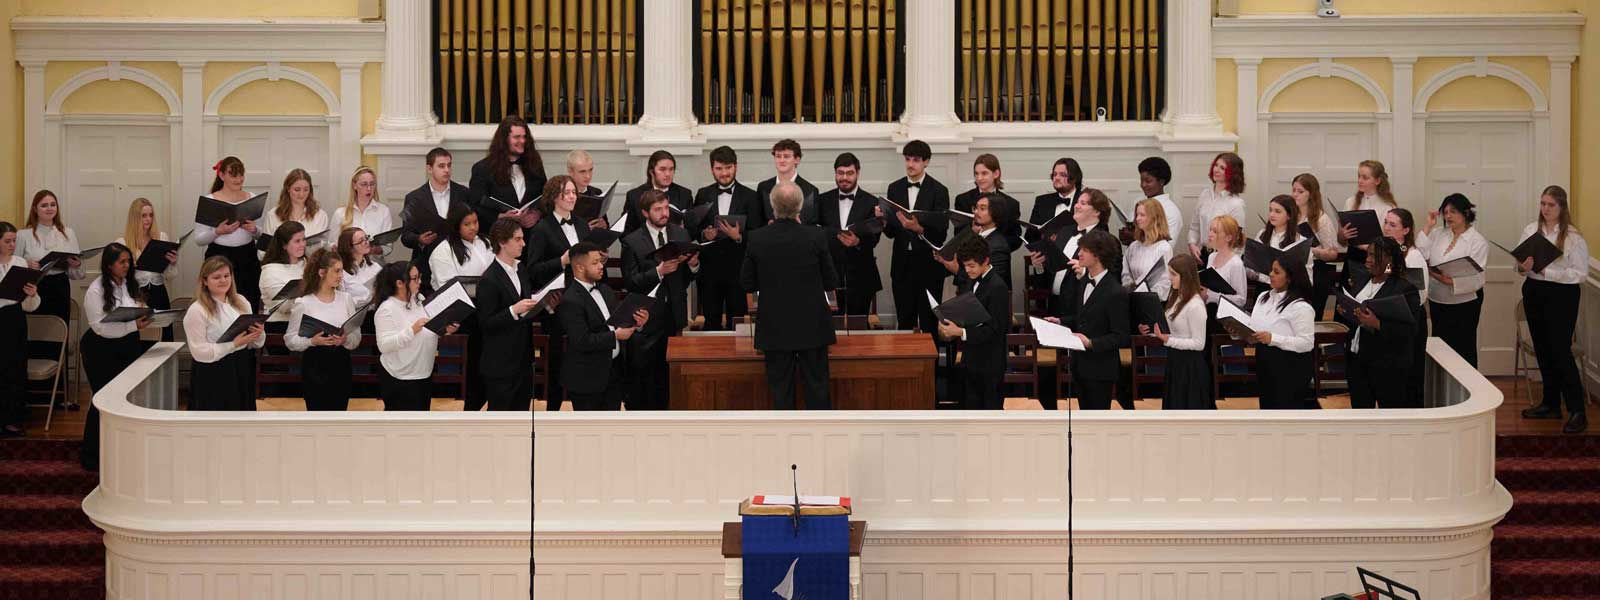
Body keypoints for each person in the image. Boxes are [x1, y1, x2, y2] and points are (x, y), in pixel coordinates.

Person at [741, 182, 839, 410]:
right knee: (818, 390)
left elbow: (746, 283)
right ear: (800, 207)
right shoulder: (816, 236)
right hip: (813, 325)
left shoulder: (757, 238)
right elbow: (831, 281)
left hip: (774, 326)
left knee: (780, 393)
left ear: (772, 206)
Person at [1517, 186, 1589, 433]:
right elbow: (1521, 265)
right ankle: (1550, 403)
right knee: (1543, 349)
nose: (1545, 209)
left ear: (1562, 208)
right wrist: (1523, 267)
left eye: (1551, 205)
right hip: (1535, 292)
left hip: (1562, 296)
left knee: (1560, 351)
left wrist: (1549, 272)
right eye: (1543, 204)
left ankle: (1577, 410)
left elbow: (1580, 274)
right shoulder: (1530, 230)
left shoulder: (1573, 237)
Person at [78, 243, 157, 469]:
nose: (127, 266)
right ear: (109, 264)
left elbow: (135, 310)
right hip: (100, 349)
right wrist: (134, 325)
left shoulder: (129, 284)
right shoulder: (96, 290)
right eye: (122, 262)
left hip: (127, 345)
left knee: (126, 398)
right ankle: (92, 455)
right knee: (103, 399)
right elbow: (101, 328)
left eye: (128, 261)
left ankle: (120, 451)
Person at [620, 189, 699, 410]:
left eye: (666, 208)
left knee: (671, 373)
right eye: (658, 209)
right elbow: (631, 281)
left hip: (675, 313)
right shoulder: (632, 241)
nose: (664, 213)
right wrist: (659, 271)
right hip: (646, 318)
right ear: (645, 213)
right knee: (646, 374)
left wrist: (693, 266)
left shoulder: (681, 234)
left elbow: (686, 277)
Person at [558, 241, 648, 411]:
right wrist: (615, 336)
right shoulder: (570, 300)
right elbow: (582, 341)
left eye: (600, 261)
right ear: (579, 267)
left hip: (613, 372)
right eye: (594, 263)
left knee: (611, 429)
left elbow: (618, 324)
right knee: (589, 433)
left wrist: (637, 324)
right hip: (587, 379)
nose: (601, 266)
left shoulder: (605, 290)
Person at [1339, 237, 1422, 410]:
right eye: (1368, 254)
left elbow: (1410, 331)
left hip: (1387, 365)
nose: (1368, 259)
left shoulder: (1405, 288)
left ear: (1389, 260)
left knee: (1390, 415)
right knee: (1361, 413)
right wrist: (1346, 311)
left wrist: (1377, 324)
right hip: (1357, 359)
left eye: (1374, 256)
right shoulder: (1362, 280)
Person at [1047, 230, 1126, 410]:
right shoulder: (1083, 282)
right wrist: (1060, 321)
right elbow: (1082, 318)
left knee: (1097, 423)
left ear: (1098, 255)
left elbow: (1121, 336)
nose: (1079, 254)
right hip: (1080, 365)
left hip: (1101, 369)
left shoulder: (1115, 292)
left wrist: (1090, 343)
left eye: (1084, 250)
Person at [428, 203, 494, 410]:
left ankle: (488, 394)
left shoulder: (485, 242)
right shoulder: (443, 251)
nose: (473, 228)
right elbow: (447, 288)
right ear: (456, 226)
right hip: (461, 314)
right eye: (467, 224)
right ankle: (472, 401)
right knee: (477, 358)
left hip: (485, 307)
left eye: (475, 222)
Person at [936, 234, 1011, 410]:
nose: (967, 270)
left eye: (971, 265)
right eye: (965, 266)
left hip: (989, 365)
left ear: (985, 261)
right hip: (971, 359)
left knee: (988, 414)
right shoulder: (971, 281)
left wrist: (960, 332)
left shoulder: (997, 287)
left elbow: (995, 330)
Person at [883, 139, 951, 332]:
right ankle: (906, 363)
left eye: (915, 160)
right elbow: (889, 234)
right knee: (905, 320)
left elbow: (941, 234)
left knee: (930, 321)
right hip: (902, 265)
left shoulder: (939, 190)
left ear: (926, 162)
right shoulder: (894, 188)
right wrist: (884, 219)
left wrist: (919, 229)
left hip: (929, 265)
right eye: (907, 159)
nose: (910, 164)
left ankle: (932, 363)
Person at [183, 256, 265, 411]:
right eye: (217, 277)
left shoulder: (241, 301)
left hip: (240, 365)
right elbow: (199, 351)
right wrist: (233, 344)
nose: (223, 280)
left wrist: (258, 333)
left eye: (227, 276)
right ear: (205, 281)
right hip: (213, 371)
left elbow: (253, 343)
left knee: (241, 415)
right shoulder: (197, 309)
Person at [285, 249, 362, 411]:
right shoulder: (304, 303)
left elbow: (356, 336)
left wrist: (345, 340)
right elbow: (290, 340)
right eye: (337, 271)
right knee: (317, 416)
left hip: (341, 364)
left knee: (339, 415)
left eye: (342, 270)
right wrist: (312, 341)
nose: (341, 275)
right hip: (315, 365)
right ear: (321, 272)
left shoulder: (346, 299)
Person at [374, 262, 459, 411]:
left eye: (419, 277)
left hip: (423, 373)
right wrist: (412, 330)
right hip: (400, 377)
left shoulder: (418, 299)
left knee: (421, 425)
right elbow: (384, 345)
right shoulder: (387, 309)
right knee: (403, 428)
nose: (419, 281)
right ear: (400, 283)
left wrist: (445, 330)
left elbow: (428, 331)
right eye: (415, 278)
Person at [691, 146, 758, 330]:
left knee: (736, 322)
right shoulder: (703, 194)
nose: (724, 173)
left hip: (738, 270)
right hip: (710, 269)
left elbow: (757, 233)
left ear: (736, 167)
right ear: (712, 169)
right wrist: (704, 234)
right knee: (710, 320)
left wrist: (739, 237)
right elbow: (693, 228)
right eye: (719, 168)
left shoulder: (751, 196)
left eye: (728, 167)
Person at [477, 219, 540, 411]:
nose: (523, 243)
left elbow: (525, 305)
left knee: (522, 416)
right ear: (502, 242)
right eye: (518, 239)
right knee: (500, 418)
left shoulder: (521, 270)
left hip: (523, 359)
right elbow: (486, 323)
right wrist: (514, 310)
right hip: (501, 364)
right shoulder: (489, 279)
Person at [1421, 193, 1488, 367]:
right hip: (1437, 300)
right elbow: (1420, 254)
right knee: (1440, 348)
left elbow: (1479, 279)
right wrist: (1428, 226)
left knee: (1463, 348)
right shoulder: (1437, 234)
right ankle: (1442, 390)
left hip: (1464, 303)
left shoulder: (1477, 241)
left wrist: (1450, 281)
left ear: (1466, 213)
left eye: (1453, 212)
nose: (1448, 216)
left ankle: (1469, 391)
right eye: (1445, 212)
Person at [817, 152, 884, 316]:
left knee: (859, 325)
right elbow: (815, 233)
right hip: (829, 274)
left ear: (858, 173)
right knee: (830, 326)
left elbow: (874, 238)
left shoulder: (872, 202)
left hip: (862, 275)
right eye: (840, 173)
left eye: (849, 173)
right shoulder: (822, 200)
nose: (844, 178)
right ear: (835, 173)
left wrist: (857, 243)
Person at [194, 157, 264, 312]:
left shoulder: (252, 198)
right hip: (219, 257)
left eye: (241, 175)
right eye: (233, 175)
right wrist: (217, 232)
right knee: (219, 305)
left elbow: (261, 234)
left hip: (248, 258)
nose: (239, 179)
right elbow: (198, 239)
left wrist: (254, 230)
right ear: (221, 175)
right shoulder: (209, 200)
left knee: (249, 302)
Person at [1142, 253, 1211, 410]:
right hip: (1175, 361)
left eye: (1173, 274)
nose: (1169, 277)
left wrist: (1168, 340)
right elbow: (1170, 331)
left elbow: (1199, 343)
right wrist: (1152, 332)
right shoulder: (1176, 298)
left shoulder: (1195, 305)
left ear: (1185, 276)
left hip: (1190, 367)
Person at [1247, 256, 1317, 409]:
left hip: (1289, 365)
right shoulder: (1263, 297)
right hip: (1265, 360)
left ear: (1290, 278)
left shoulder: (1300, 306)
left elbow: (1306, 343)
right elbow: (1254, 327)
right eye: (1271, 270)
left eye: (1276, 272)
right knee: (1267, 409)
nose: (1271, 274)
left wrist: (1273, 338)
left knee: (1285, 411)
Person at [402, 147, 474, 294]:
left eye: (449, 165)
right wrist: (419, 239)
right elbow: (405, 236)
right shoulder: (414, 198)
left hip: (459, 262)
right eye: (441, 166)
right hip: (426, 266)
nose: (446, 170)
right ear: (429, 168)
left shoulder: (464, 193)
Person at [1383, 207, 1430, 407]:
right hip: (1389, 316)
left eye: (1392, 225)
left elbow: (1420, 294)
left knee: (1410, 374)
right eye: (1386, 222)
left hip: (1409, 319)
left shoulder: (1413, 256)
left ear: (1406, 231)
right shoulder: (1385, 252)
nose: (1386, 228)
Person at [17, 190, 85, 327]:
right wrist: (26, 264)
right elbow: (13, 267)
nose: (49, 208)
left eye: (53, 204)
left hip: (60, 286)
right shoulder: (23, 235)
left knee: (59, 328)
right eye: (44, 205)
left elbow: (78, 275)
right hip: (35, 287)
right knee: (36, 331)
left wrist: (76, 265)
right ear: (35, 209)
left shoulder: (68, 233)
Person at [116, 197, 179, 341]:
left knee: (163, 338)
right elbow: (115, 276)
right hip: (135, 295)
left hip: (159, 293)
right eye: (143, 215)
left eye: (151, 215)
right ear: (134, 218)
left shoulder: (161, 237)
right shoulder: (122, 242)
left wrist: (172, 263)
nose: (148, 219)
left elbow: (170, 276)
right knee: (139, 339)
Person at [0, 223, 41, 438]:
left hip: (15, 319)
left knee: (15, 368)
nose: (12, 245)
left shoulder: (20, 262)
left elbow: (29, 305)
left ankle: (12, 419)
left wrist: (32, 293)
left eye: (14, 240)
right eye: (7, 241)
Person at [468, 114, 546, 229]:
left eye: (525, 137)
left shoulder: (534, 165)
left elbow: (545, 197)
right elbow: (474, 206)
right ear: (504, 139)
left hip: (531, 236)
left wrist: (537, 215)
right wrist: (501, 216)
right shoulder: (482, 169)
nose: (522, 141)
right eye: (517, 137)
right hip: (499, 236)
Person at [1292, 173, 1344, 319]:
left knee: (1311, 316)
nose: (1295, 194)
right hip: (1296, 270)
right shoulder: (1291, 216)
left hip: (1317, 271)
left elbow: (1333, 253)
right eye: (1294, 190)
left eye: (1300, 191)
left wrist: (1310, 249)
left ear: (1311, 194)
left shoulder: (1321, 219)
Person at [953, 154, 1023, 257]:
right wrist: (972, 232)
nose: (979, 178)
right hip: (969, 260)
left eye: (984, 173)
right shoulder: (963, 200)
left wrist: (994, 248)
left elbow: (1015, 238)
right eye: (976, 174)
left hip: (999, 260)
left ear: (996, 174)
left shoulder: (1011, 204)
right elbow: (958, 235)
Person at [1187, 152, 1246, 260]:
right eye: (1216, 165)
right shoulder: (1205, 194)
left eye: (1222, 168)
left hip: (1222, 256)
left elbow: (1238, 242)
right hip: (1202, 254)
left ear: (1232, 173)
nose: (1216, 170)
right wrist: (1192, 243)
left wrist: (1225, 263)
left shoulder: (1236, 204)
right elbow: (1194, 226)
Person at [623, 150, 694, 233]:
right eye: (662, 169)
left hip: (677, 243)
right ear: (651, 172)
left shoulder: (685, 194)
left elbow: (693, 230)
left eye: (671, 169)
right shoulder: (634, 196)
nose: (668, 174)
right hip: (645, 244)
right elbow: (626, 231)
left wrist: (683, 231)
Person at [260, 168, 331, 250]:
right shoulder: (273, 215)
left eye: (306, 190)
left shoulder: (320, 215)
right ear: (288, 188)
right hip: (281, 262)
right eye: (297, 190)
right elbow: (263, 252)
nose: (301, 194)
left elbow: (324, 247)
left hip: (311, 262)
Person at [755, 139, 820, 225]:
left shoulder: (810, 190)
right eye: (778, 156)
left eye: (786, 156)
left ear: (797, 159)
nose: (781, 160)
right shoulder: (763, 187)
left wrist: (800, 226)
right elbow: (757, 220)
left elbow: (813, 226)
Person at [334, 166, 396, 258]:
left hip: (375, 266)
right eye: (364, 184)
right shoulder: (340, 213)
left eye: (372, 184)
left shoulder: (383, 211)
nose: (369, 189)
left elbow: (387, 247)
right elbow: (332, 243)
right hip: (347, 265)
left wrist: (370, 249)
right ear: (354, 185)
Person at [259, 222, 308, 333]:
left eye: (304, 239)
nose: (303, 244)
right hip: (280, 323)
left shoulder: (306, 264)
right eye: (297, 241)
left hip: (305, 319)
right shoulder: (270, 271)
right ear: (284, 245)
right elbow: (283, 307)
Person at [1121, 199, 1173, 301]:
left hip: (1151, 301)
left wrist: (1145, 294)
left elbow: (1165, 281)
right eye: (1137, 215)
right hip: (1132, 299)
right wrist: (1131, 289)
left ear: (1154, 218)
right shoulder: (1134, 246)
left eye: (1142, 215)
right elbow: (1125, 274)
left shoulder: (1163, 248)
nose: (1137, 219)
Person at [1249, 195, 1307, 286]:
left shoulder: (1300, 241)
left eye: (1277, 211)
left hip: (1288, 290)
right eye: (1270, 210)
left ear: (1289, 215)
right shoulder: (1262, 234)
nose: (1272, 214)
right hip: (1263, 286)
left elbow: (1307, 278)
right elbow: (1253, 263)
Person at [1138, 157, 1182, 246]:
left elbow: (1167, 246)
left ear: (1161, 181)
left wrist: (1135, 236)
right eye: (1142, 180)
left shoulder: (1171, 211)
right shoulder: (1140, 202)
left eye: (1148, 181)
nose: (1143, 185)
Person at [336, 227, 382, 309]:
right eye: (361, 241)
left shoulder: (375, 267)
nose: (367, 242)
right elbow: (343, 303)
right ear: (349, 248)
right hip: (358, 317)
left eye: (366, 238)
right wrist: (370, 298)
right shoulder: (341, 273)